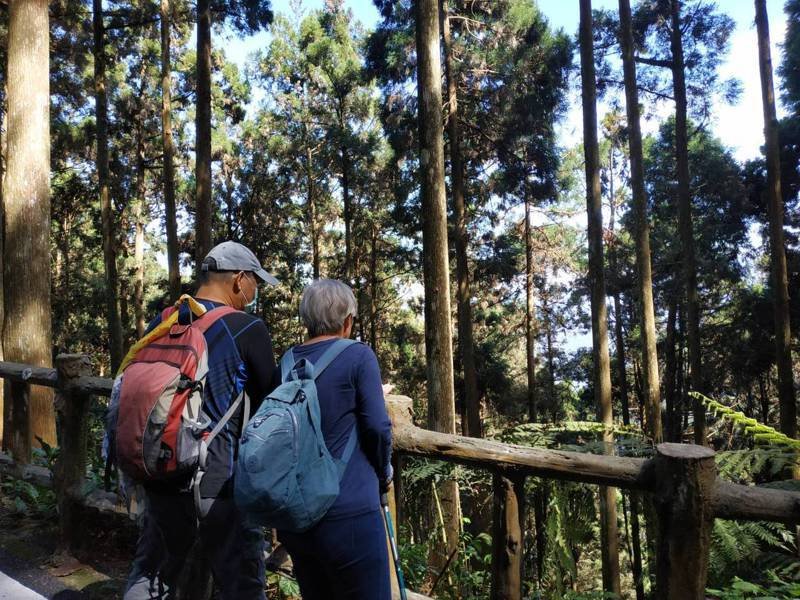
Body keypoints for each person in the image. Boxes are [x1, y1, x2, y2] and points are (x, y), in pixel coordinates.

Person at [124, 241, 278, 600]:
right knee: (241, 581)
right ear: (239, 280)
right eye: (255, 282)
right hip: (216, 482)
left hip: (159, 469)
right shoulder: (247, 328)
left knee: (151, 572)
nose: (255, 291)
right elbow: (271, 402)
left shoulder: (163, 321)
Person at [277, 279, 394, 600]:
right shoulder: (359, 356)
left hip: (298, 519)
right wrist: (385, 473)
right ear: (347, 321)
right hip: (350, 515)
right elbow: (377, 427)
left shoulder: (287, 364)